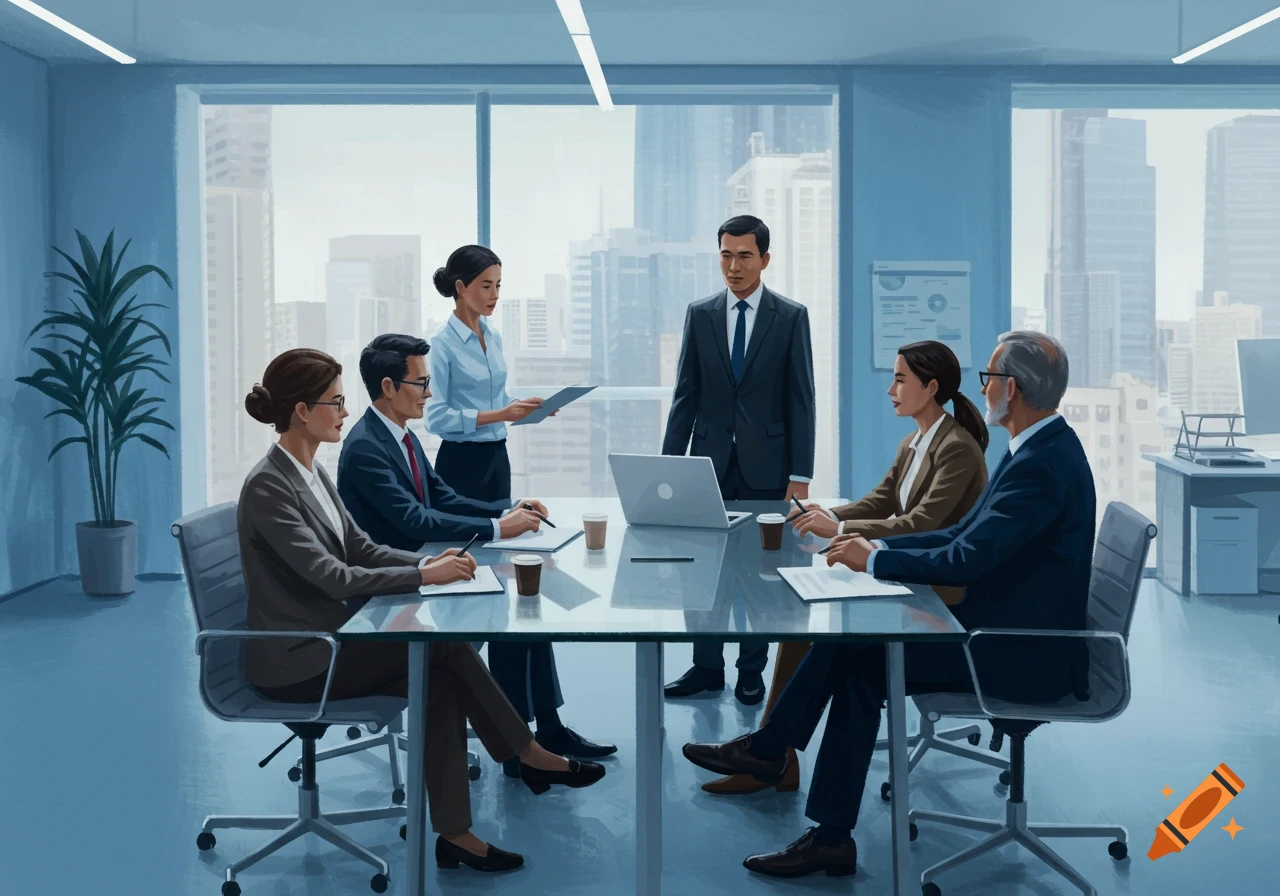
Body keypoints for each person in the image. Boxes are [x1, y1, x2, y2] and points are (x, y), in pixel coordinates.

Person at [681, 331, 1095, 879]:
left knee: (860, 660)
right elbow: (961, 535)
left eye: (989, 379)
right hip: (1002, 631)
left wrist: (874, 560)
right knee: (856, 655)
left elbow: (966, 557)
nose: (984, 389)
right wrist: (874, 552)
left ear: (1011, 388)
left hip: (1018, 652)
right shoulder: (1038, 450)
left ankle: (784, 772)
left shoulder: (1040, 464)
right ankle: (797, 790)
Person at [239, 348, 604, 874]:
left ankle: (457, 834)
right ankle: (527, 754)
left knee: (439, 679)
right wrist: (423, 575)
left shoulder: (311, 471)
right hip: (299, 659)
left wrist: (428, 563)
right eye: (336, 402)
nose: (346, 411)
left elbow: (361, 548)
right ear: (302, 411)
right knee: (442, 653)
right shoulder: (270, 485)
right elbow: (332, 576)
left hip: (333, 639)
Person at [699, 339, 989, 796]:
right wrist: (830, 514)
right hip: (904, 573)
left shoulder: (957, 448)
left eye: (900, 380)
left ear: (931, 387)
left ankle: (769, 754)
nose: (891, 390)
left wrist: (836, 527)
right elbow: (882, 500)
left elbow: (921, 523)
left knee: (822, 629)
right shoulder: (914, 441)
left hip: (935, 590)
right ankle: (773, 758)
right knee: (801, 624)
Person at [337, 333, 615, 771]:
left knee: (525, 601)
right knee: (508, 615)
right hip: (397, 588)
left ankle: (547, 729)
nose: (429, 394)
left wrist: (506, 508)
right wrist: (498, 527)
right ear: (388, 387)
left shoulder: (400, 436)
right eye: (421, 383)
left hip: (429, 565)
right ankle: (520, 748)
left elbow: (441, 496)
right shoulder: (365, 448)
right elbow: (415, 521)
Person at [424, 247, 609, 776]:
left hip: (496, 461)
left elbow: (497, 405)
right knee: (499, 601)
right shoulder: (441, 345)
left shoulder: (494, 335)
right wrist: (499, 413)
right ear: (460, 287)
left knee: (525, 591)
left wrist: (524, 412)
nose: (494, 295)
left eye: (499, 285)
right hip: (460, 467)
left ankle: (548, 725)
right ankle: (516, 742)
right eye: (486, 285)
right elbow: (436, 417)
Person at [661, 215, 817, 706]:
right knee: (701, 570)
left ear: (764, 259)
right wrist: (670, 469)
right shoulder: (700, 314)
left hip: (769, 467)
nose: (734, 266)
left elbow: (801, 399)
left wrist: (800, 475)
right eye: (726, 255)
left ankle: (752, 671)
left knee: (762, 573)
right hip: (707, 463)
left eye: (745, 256)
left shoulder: (790, 317)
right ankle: (706, 668)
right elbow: (685, 395)